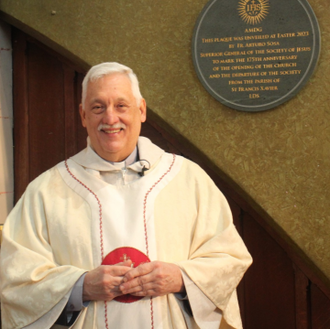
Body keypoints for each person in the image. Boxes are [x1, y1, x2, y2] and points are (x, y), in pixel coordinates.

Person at [0, 62, 252, 329]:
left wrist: (180, 278)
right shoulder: (46, 191)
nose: (110, 118)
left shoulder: (188, 180)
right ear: (83, 115)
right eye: (98, 108)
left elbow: (229, 258)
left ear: (141, 110)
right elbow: (16, 280)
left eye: (121, 106)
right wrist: (81, 287)